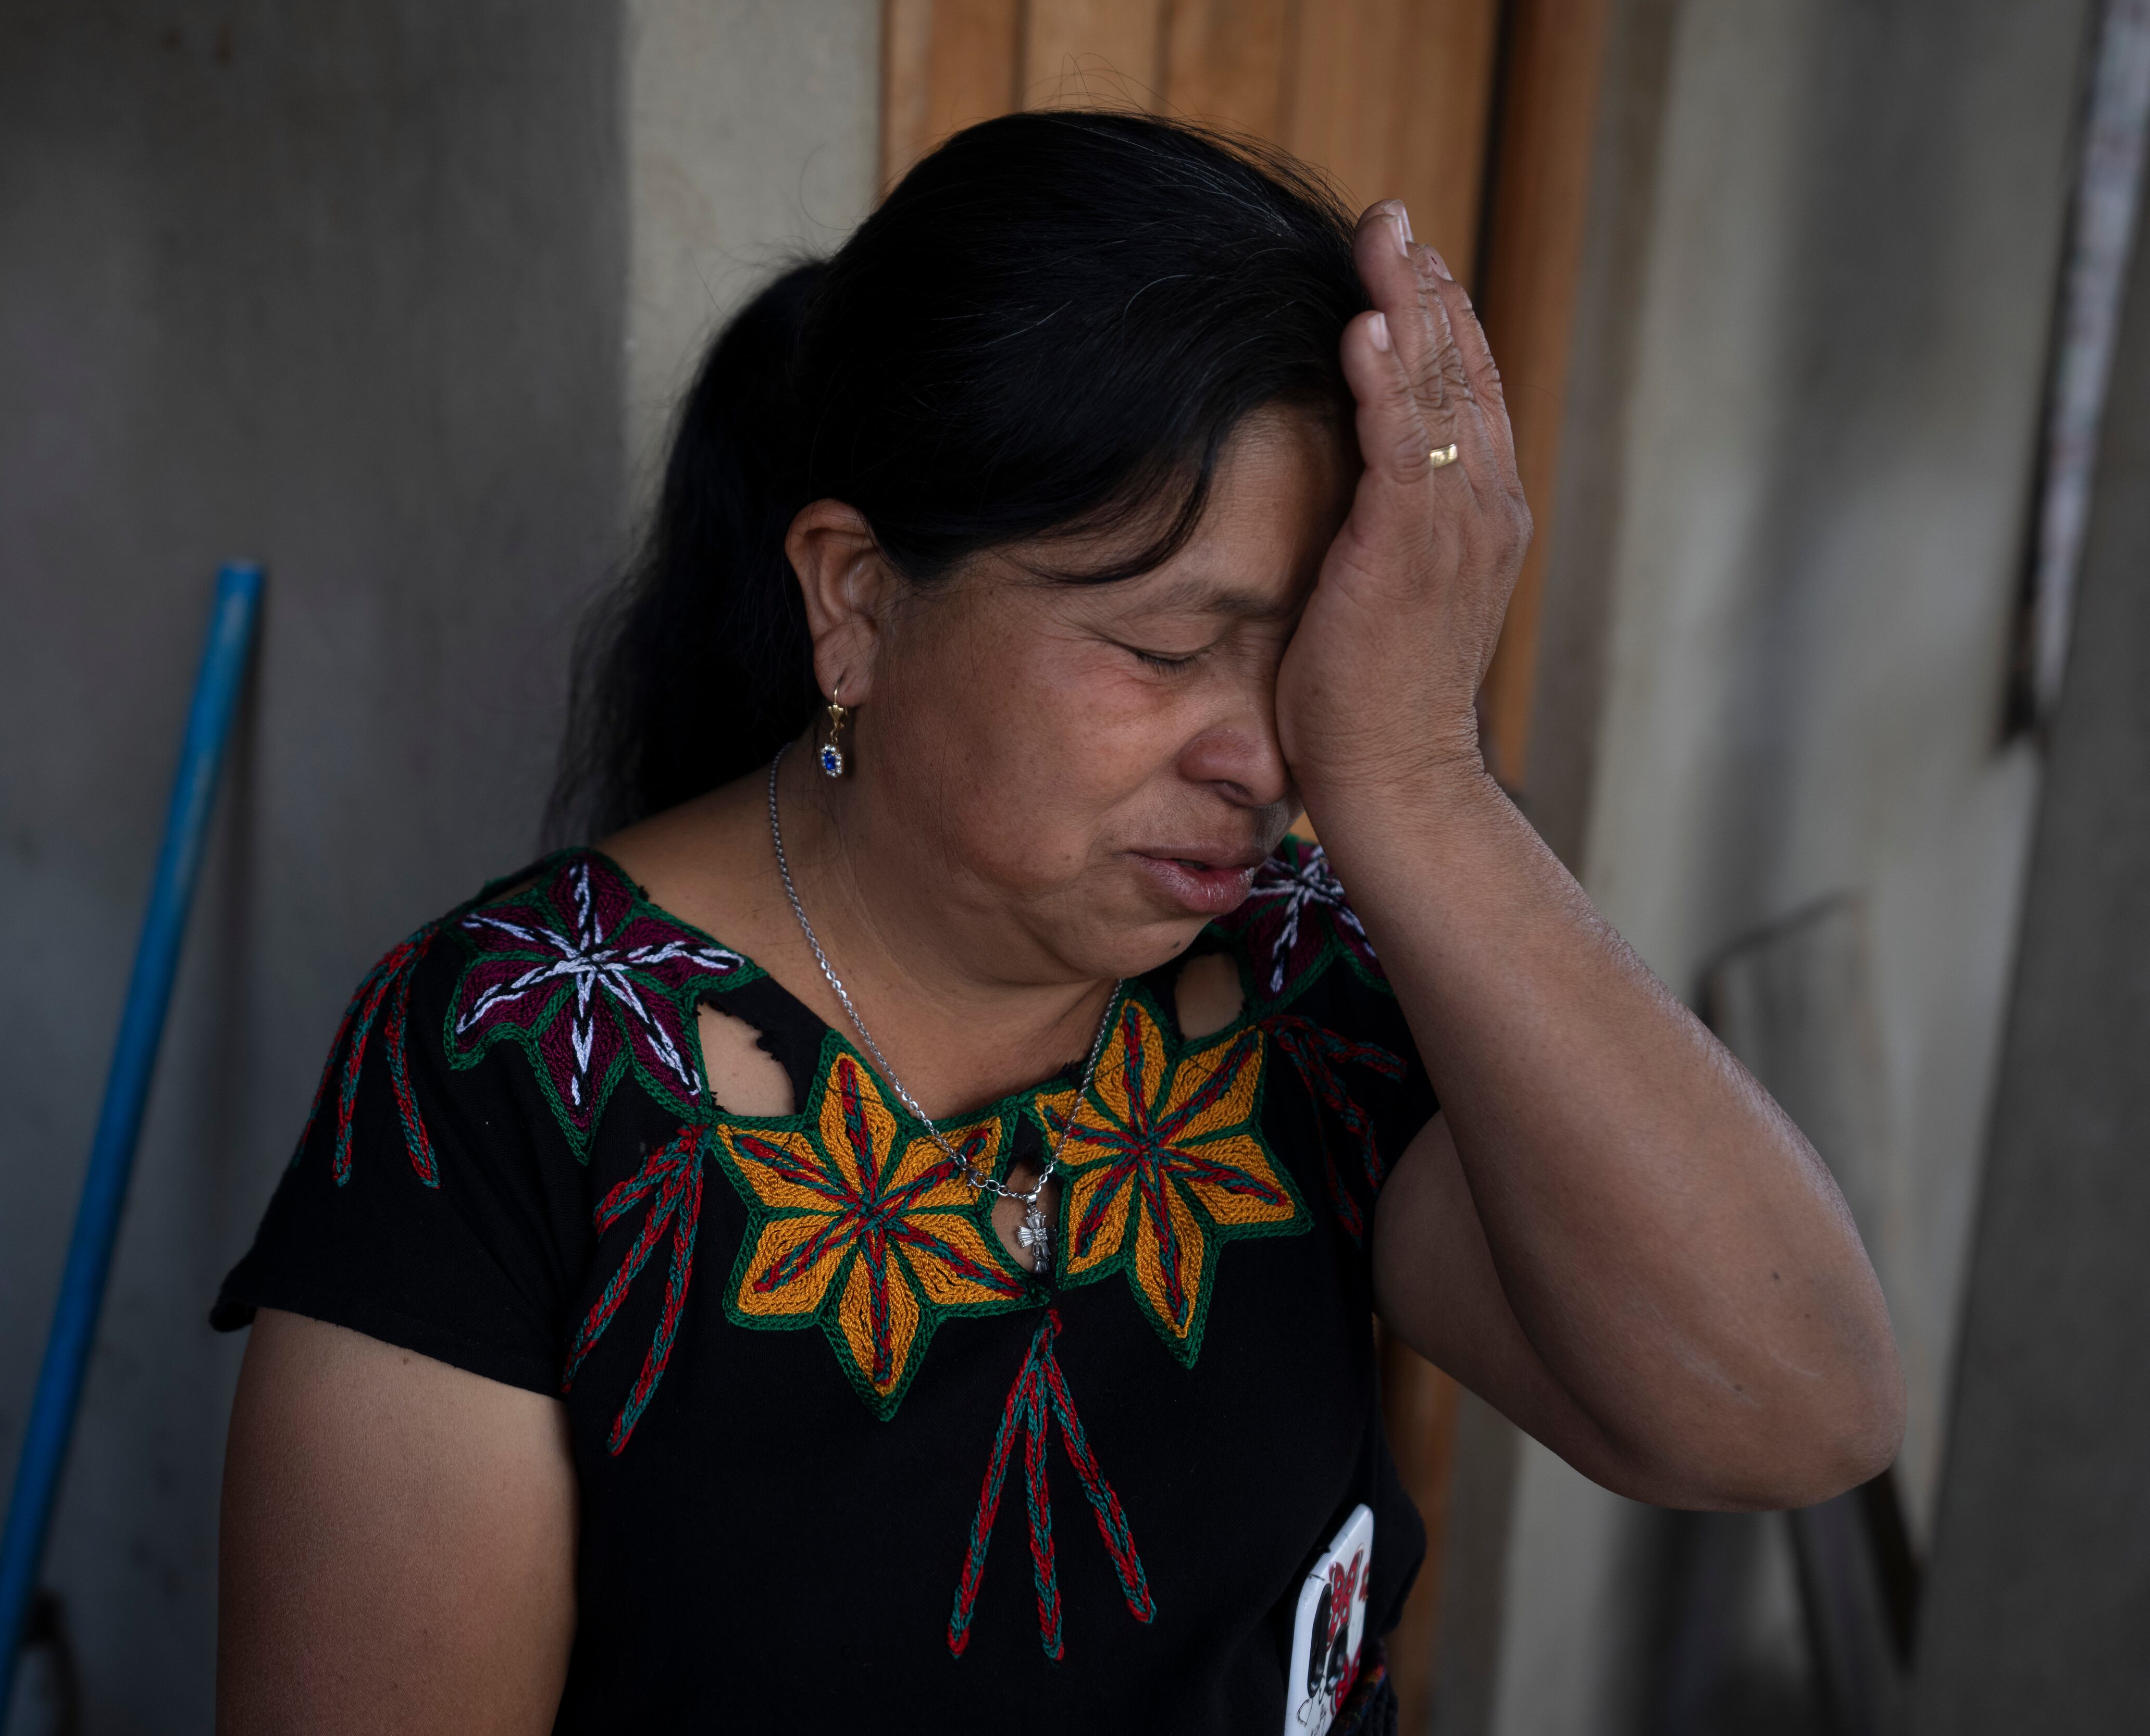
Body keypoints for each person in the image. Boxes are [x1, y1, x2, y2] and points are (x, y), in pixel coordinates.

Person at [210, 111, 1903, 1735]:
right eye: (1166, 651)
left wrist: (1419, 779)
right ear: (857, 600)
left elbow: (1792, 1412)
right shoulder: (513, 1071)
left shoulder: (1308, 992)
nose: (1267, 760)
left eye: (1311, 654)